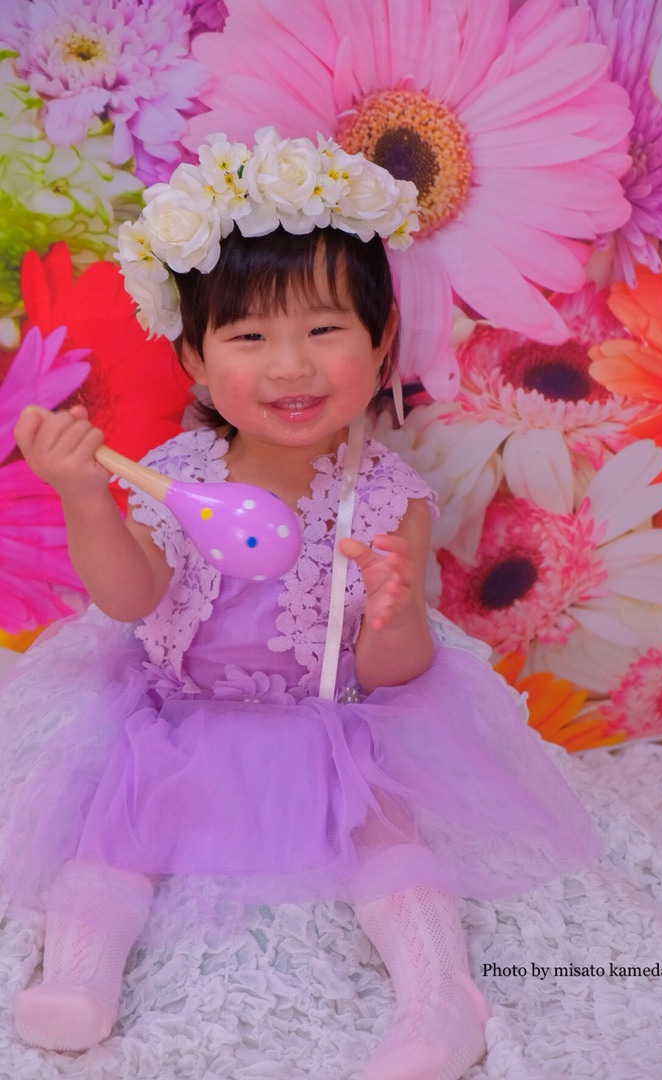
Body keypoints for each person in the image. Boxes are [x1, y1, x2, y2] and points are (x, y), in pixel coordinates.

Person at [5, 128, 599, 1080]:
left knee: (384, 826)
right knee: (114, 822)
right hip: (180, 712)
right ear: (195, 359)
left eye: (324, 330)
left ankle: (440, 999)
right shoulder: (178, 475)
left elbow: (390, 676)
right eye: (249, 337)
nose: (290, 366)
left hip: (330, 716)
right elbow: (130, 597)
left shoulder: (386, 500)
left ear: (381, 341)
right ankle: (78, 976)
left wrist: (394, 611)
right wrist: (86, 497)